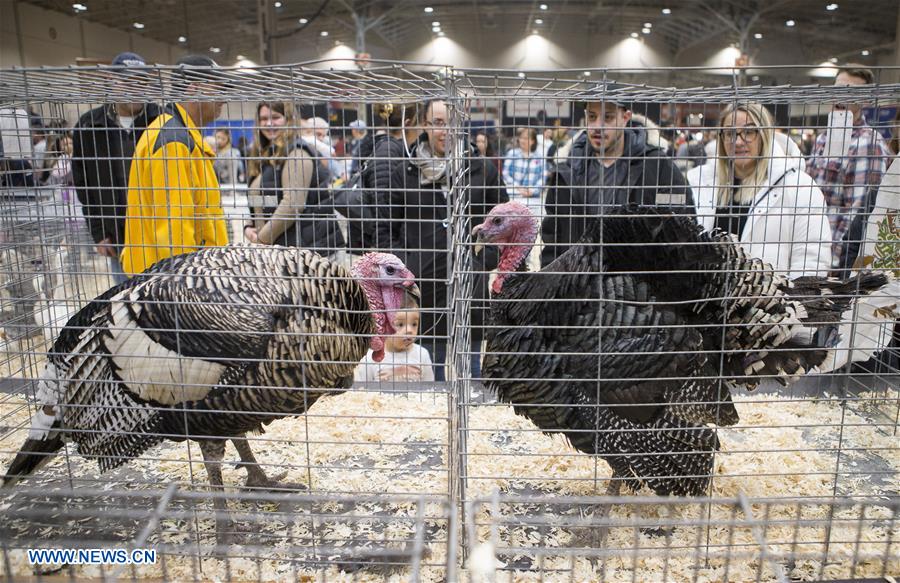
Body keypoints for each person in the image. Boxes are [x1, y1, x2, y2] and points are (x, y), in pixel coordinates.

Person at [376, 99, 508, 381]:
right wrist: (406, 268)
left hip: (469, 286)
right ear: (425, 125)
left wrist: (482, 261)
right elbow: (387, 228)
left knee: (471, 375)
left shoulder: (482, 170)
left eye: (451, 122)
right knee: (428, 373)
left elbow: (506, 223)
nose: (444, 130)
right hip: (424, 288)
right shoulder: (406, 171)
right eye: (437, 123)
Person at [541, 91, 695, 266]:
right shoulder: (567, 171)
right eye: (592, 117)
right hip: (578, 284)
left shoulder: (657, 166)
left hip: (637, 285)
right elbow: (553, 235)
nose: (597, 126)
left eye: (608, 118)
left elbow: (682, 217)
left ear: (625, 117)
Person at [687, 103, 832, 279]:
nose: (738, 141)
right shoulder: (700, 183)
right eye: (730, 133)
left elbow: (811, 262)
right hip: (706, 304)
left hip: (771, 304)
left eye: (748, 132)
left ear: (764, 135)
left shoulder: (798, 187)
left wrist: (788, 304)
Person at [120, 54, 229, 276]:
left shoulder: (182, 136)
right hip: (171, 284)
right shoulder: (173, 142)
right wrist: (187, 290)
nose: (223, 98)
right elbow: (174, 233)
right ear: (193, 89)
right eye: (218, 88)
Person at [72, 51, 161, 284]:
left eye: (142, 82)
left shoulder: (162, 119)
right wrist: (99, 233)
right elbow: (85, 187)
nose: (136, 88)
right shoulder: (89, 125)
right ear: (111, 82)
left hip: (160, 232)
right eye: (128, 81)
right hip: (118, 234)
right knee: (127, 300)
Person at [806, 65, 892, 268]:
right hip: (811, 249)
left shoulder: (869, 144)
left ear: (866, 100)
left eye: (851, 91)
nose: (841, 96)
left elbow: (857, 215)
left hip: (831, 260)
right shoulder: (823, 137)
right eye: (838, 88)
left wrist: (834, 262)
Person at [244, 101, 344, 259]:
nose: (269, 123)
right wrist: (249, 226)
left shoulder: (297, 152)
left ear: (289, 119)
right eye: (263, 118)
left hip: (308, 255)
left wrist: (261, 239)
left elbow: (292, 205)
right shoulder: (267, 154)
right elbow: (264, 199)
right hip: (280, 251)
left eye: (275, 117)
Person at [354, 294, 434, 383]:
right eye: (400, 324)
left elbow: (429, 388)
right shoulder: (370, 358)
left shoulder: (422, 354)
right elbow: (362, 390)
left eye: (414, 324)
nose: (409, 330)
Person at [502, 127, 547, 219]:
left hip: (534, 199)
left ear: (533, 141)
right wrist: (518, 187)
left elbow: (543, 177)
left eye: (526, 138)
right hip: (514, 198)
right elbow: (505, 174)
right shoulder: (512, 154)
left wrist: (532, 190)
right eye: (521, 138)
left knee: (533, 226)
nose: (522, 140)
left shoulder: (539, 157)